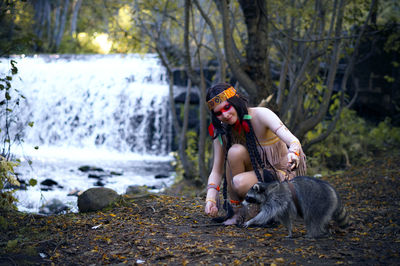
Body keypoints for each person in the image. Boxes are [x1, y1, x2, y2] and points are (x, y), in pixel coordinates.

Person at [204, 83, 307, 225]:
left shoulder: (261, 114)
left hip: (281, 178)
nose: (225, 115)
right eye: (218, 113)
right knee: (234, 152)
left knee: (239, 182)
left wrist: (293, 153)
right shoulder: (221, 131)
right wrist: (210, 199)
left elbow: (293, 140)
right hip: (254, 177)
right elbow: (216, 170)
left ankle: (265, 209)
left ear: (236, 101)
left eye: (227, 107)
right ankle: (238, 212)